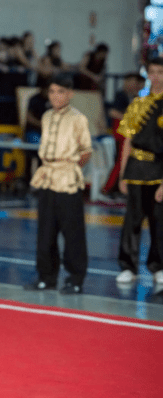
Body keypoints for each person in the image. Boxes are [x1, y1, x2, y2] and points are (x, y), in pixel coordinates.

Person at [24, 75, 92, 294]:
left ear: (70, 94)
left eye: (60, 92)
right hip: (47, 176)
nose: (55, 96)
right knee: (45, 231)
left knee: (72, 232)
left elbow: (86, 151)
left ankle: (75, 278)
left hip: (67, 176)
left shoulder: (78, 119)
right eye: (52, 91)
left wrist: (70, 168)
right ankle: (46, 276)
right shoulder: (46, 116)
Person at [115, 58, 163, 285]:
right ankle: (128, 266)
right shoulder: (137, 104)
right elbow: (127, 142)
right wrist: (123, 174)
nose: (156, 76)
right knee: (132, 221)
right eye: (152, 72)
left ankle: (158, 266)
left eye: (160, 72)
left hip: (158, 169)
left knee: (159, 221)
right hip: (135, 168)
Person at [102, 73, 145, 196]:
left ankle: (117, 189)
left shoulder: (134, 97)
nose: (137, 86)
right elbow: (113, 112)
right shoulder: (121, 95)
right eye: (135, 82)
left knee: (124, 162)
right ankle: (108, 188)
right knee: (120, 162)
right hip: (122, 135)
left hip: (127, 135)